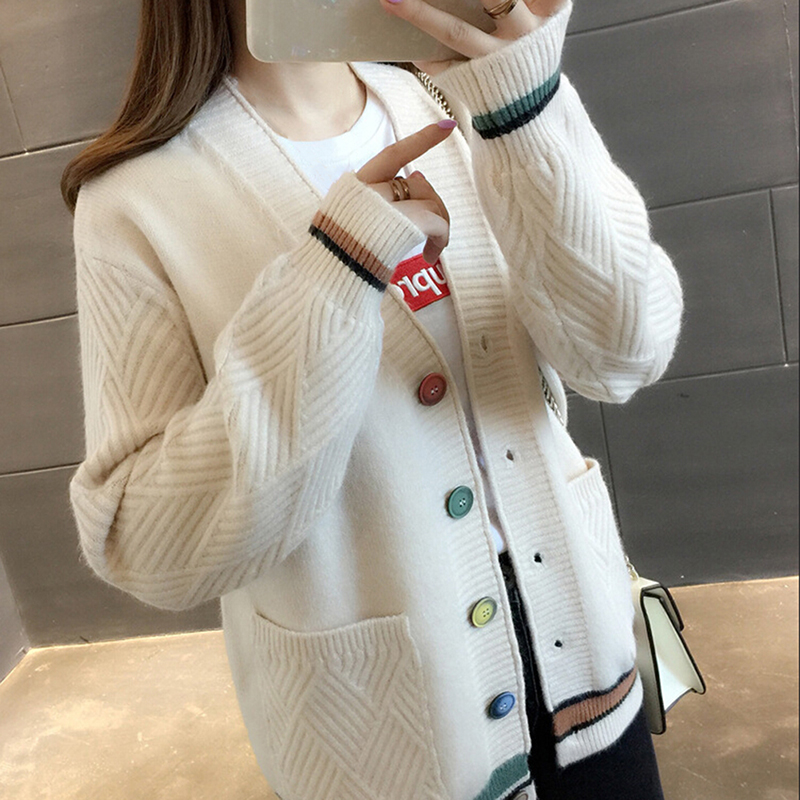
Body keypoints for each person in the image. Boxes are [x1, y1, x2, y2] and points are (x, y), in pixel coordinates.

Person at [61, 0, 683, 797]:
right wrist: (336, 271)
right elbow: (145, 544)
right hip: (390, 737)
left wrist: (527, 112)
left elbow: (625, 354)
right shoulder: (137, 199)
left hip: (587, 666)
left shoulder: (469, 95)